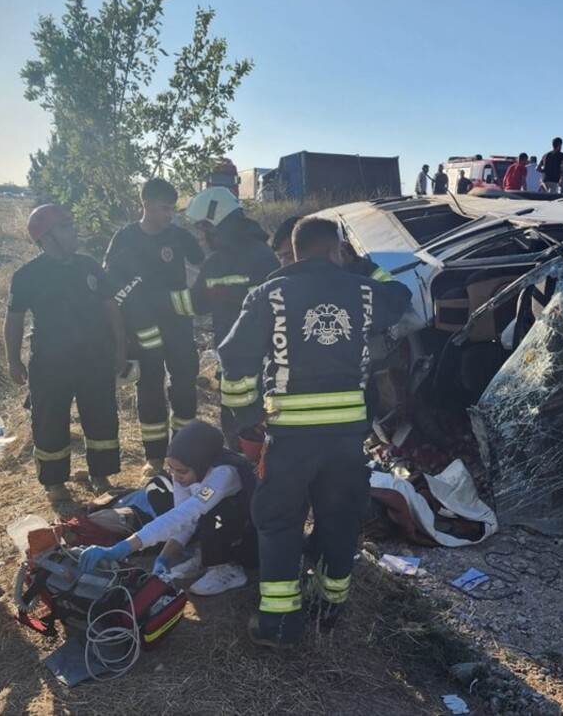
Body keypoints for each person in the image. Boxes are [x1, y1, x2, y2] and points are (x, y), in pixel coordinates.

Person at [218, 217, 412, 647]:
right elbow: (401, 295)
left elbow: (233, 357)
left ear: (293, 250)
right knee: (339, 517)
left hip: (289, 439)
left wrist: (244, 415)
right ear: (334, 250)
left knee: (279, 522)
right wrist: (362, 265)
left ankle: (281, 625)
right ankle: (330, 607)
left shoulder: (269, 293)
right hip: (345, 438)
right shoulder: (363, 290)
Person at [6, 204, 126, 507]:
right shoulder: (27, 276)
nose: (74, 231)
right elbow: (15, 319)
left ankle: (101, 476)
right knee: (49, 422)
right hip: (49, 363)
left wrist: (121, 347)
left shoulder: (88, 266)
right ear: (46, 237)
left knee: (102, 418)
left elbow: (111, 307)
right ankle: (55, 484)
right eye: (66, 226)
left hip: (94, 359)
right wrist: (13, 359)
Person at [78, 420, 258, 597]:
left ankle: (227, 568)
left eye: (182, 471)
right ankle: (204, 557)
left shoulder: (224, 474)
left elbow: (186, 514)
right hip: (213, 521)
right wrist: (164, 557)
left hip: (247, 538)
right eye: (171, 468)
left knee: (215, 512)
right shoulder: (187, 471)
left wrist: (123, 548)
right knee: (174, 501)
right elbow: (183, 521)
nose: (176, 476)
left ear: (201, 463)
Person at [103, 179, 206, 477]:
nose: (169, 215)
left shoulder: (179, 236)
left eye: (173, 209)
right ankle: (155, 458)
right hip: (142, 329)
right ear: (145, 204)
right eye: (164, 208)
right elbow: (111, 282)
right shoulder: (125, 238)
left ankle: (182, 452)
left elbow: (205, 267)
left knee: (185, 385)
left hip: (179, 327)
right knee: (149, 388)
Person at [182, 187, 280, 443]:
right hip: (270, 358)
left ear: (215, 223)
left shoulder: (220, 262)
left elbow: (195, 304)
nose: (199, 236)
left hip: (237, 358)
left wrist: (154, 302)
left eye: (201, 228)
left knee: (240, 429)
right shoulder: (264, 254)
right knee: (265, 427)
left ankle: (242, 463)